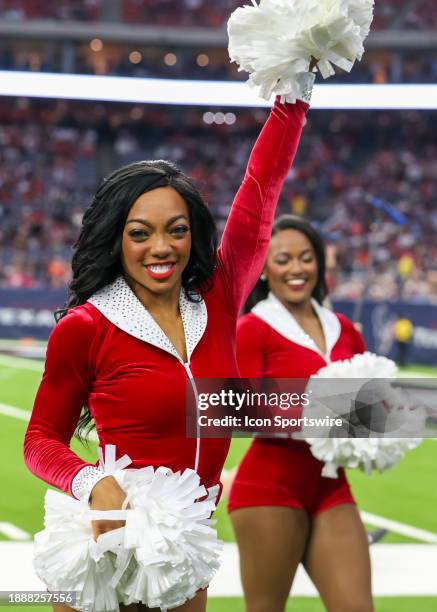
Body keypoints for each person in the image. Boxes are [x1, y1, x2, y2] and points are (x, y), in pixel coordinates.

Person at [23, 87, 311, 611]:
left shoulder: (218, 299)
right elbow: (40, 440)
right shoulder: (88, 326)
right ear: (117, 239)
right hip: (108, 544)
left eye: (176, 231)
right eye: (141, 233)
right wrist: (91, 481)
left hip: (183, 548)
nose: (162, 247)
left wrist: (292, 95)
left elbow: (262, 187)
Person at [228, 215, 374, 612]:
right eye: (283, 259)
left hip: (331, 486)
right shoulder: (252, 329)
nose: (296, 269)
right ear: (264, 270)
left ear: (319, 264)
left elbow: (371, 405)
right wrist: (314, 416)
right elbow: (238, 409)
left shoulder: (345, 327)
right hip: (269, 487)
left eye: (306, 258)